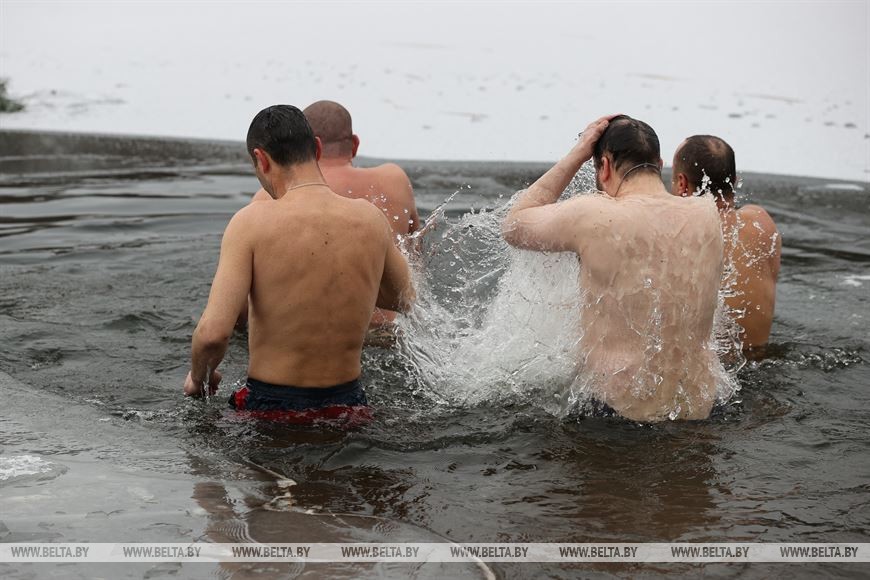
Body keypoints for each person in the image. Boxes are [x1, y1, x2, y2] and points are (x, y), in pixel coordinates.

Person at [183, 105, 414, 419]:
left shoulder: (250, 222)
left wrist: (199, 379)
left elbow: (213, 334)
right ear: (316, 149)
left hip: (270, 408)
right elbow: (409, 300)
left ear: (261, 159)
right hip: (349, 406)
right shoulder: (369, 220)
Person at [502, 115, 724, 422]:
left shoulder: (593, 213)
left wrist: (578, 152)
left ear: (604, 166)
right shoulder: (707, 214)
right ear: (659, 166)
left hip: (616, 417)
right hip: (700, 411)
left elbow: (514, 225)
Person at [251, 100, 420, 330]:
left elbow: (248, 302)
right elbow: (414, 262)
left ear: (306, 146)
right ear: (355, 144)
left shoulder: (268, 196)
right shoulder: (395, 180)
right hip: (391, 333)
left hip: (312, 341)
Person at [671, 135, 781, 351]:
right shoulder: (762, 222)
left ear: (682, 183)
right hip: (759, 360)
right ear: (735, 179)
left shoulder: (675, 229)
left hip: (706, 373)